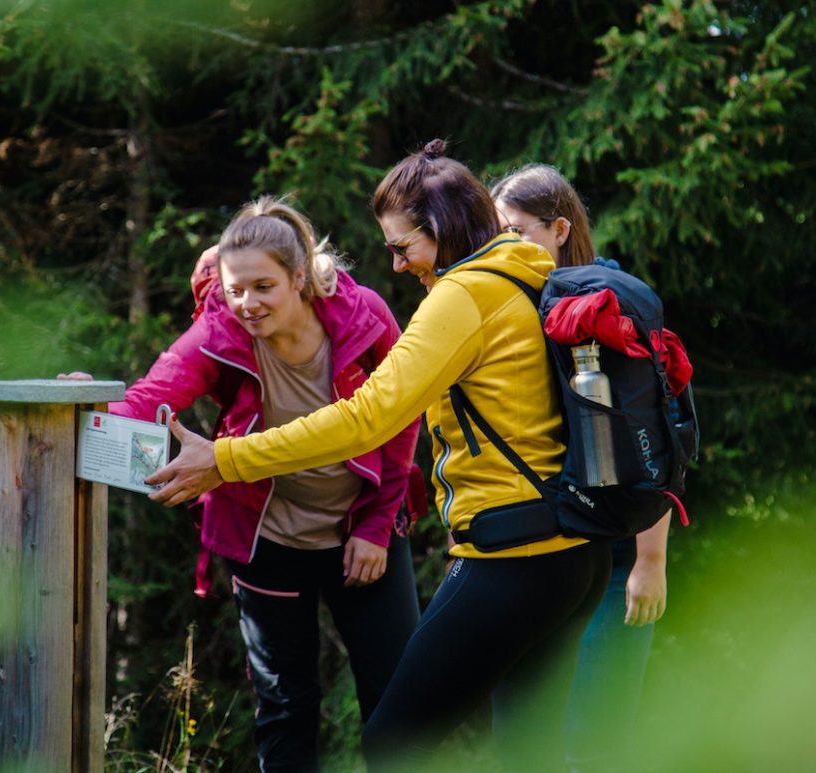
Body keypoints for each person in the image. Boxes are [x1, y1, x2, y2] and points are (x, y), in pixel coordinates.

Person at [147, 140, 613, 770]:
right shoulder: (532, 276)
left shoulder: (465, 295)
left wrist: (226, 459)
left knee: (396, 742)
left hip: (513, 555)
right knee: (531, 749)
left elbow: (369, 418)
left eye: (402, 247)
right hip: (578, 557)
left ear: (444, 230)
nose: (395, 265)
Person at [64, 195, 422, 773]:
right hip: (268, 540)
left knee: (398, 701)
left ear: (299, 277)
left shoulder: (364, 316)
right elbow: (153, 398)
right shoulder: (218, 332)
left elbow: (404, 416)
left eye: (263, 287)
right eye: (235, 290)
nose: (247, 304)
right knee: (285, 707)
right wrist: (90, 406)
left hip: (365, 534)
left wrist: (379, 526)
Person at [492, 162, 672, 772]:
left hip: (617, 553)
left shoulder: (604, 306)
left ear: (559, 227)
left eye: (514, 230)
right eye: (496, 233)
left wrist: (650, 563)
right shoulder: (515, 307)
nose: (503, 245)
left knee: (596, 739)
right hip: (543, 548)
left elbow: (650, 438)